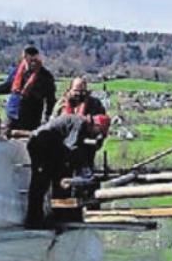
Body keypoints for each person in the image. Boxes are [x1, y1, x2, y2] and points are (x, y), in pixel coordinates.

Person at [24, 78, 110, 228]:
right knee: (41, 182)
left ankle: (64, 215)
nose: (80, 94)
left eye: (83, 91)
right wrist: (80, 168)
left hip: (54, 148)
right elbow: (72, 147)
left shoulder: (94, 107)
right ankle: (36, 220)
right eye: (76, 91)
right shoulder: (79, 122)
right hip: (42, 146)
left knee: (59, 180)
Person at [0, 46, 56, 133]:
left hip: (31, 116)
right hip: (12, 113)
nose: (31, 62)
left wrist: (47, 115)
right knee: (6, 136)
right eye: (28, 59)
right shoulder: (17, 71)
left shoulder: (45, 76)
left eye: (33, 59)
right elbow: (8, 86)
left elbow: (50, 98)